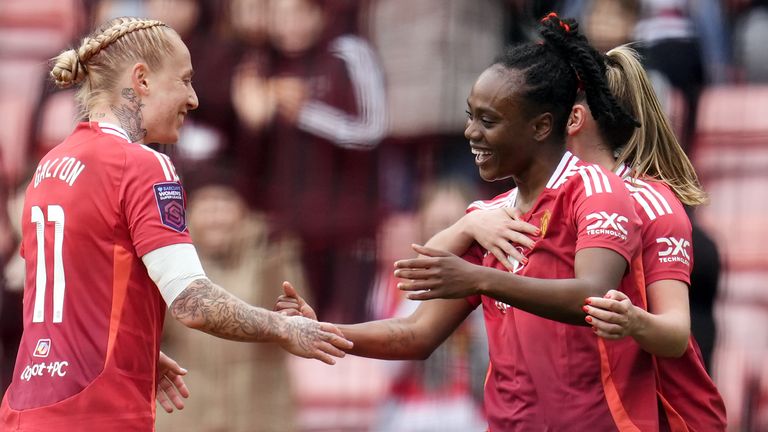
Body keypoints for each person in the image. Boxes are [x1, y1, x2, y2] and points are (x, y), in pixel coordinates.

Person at [278, 14, 660, 431]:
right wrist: (322, 329)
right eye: (470, 116)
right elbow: (416, 335)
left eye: (488, 121)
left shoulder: (595, 193)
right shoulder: (491, 219)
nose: (470, 133)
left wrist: (481, 279)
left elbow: (593, 297)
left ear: (541, 126)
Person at [0, 17, 352, 431]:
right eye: (184, 80)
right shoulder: (143, 164)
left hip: (27, 409)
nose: (194, 98)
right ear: (142, 80)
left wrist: (137, 349)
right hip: (99, 413)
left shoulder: (50, 166)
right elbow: (193, 304)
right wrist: (283, 328)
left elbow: (73, 296)